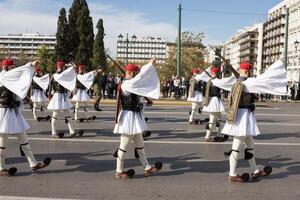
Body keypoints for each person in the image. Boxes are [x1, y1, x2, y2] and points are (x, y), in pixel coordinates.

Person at [212, 60, 287, 182]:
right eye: (246, 70)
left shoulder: (237, 82)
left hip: (242, 116)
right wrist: (278, 65)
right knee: (236, 147)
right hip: (243, 117)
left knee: (250, 146)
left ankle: (256, 171)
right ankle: (232, 174)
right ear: (243, 70)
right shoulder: (247, 83)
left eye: (248, 70)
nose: (248, 72)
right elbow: (264, 80)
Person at [0, 59, 51, 176]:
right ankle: (1, 167)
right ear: (6, 67)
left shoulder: (9, 77)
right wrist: (30, 65)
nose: (13, 68)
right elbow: (20, 72)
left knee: (23, 138)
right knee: (2, 142)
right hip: (3, 112)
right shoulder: (3, 77)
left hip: (12, 111)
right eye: (12, 66)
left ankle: (33, 163)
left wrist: (24, 99)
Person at [113, 59, 163, 179]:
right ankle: (119, 171)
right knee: (123, 146)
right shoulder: (126, 84)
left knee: (140, 145)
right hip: (128, 118)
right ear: (130, 73)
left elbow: (136, 101)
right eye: (135, 72)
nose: (136, 75)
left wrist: (145, 103)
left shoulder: (131, 84)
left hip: (135, 118)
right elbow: (140, 79)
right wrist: (150, 64)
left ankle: (147, 167)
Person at [47, 61, 83, 138]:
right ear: (62, 67)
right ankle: (53, 133)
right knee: (55, 114)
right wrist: (73, 67)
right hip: (58, 95)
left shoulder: (56, 75)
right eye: (63, 67)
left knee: (67, 114)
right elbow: (51, 84)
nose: (64, 68)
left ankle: (72, 131)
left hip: (62, 95)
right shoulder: (59, 75)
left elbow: (50, 85)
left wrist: (49, 95)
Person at [202, 67, 227, 142]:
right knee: (214, 119)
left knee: (218, 119)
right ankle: (208, 136)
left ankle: (218, 135)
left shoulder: (209, 81)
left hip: (211, 100)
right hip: (215, 100)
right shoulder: (216, 81)